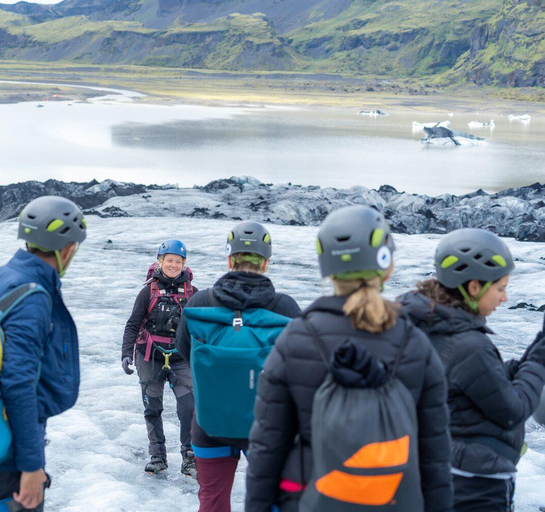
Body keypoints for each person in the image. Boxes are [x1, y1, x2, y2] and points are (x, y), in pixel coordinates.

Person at [245, 205, 452, 512]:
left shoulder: (295, 338)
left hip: (307, 496)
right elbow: (435, 455)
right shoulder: (415, 344)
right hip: (392, 498)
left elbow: (267, 445)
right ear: (386, 263)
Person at [400, 228, 545, 512]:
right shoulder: (466, 344)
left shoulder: (425, 319)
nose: (504, 298)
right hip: (474, 484)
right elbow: (513, 411)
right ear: (474, 287)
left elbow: (471, 382)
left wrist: (534, 351)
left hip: (437, 468)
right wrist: (539, 360)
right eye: (501, 288)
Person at [0, 196, 86, 512]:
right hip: (7, 455)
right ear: (67, 249)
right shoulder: (33, 297)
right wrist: (31, 466)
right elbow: (17, 384)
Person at [175, 221, 301, 512]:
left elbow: (185, 351)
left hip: (209, 423)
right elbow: (300, 365)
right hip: (267, 427)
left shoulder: (200, 302)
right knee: (270, 502)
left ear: (230, 259)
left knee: (212, 502)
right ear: (266, 263)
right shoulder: (284, 308)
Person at [122, 239, 198, 476]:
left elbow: (202, 328)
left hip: (181, 357)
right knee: (152, 407)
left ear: (184, 264)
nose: (174, 265)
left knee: (188, 407)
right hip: (149, 356)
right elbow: (133, 323)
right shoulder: (148, 291)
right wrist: (126, 354)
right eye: (169, 260)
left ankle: (189, 456)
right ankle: (157, 456)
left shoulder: (193, 293)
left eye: (178, 261)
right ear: (160, 261)